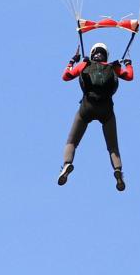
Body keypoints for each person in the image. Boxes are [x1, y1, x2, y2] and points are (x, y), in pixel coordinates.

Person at [57, 41, 133, 191]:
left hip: (87, 108)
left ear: (92, 54)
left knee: (72, 142)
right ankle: (117, 170)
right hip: (106, 109)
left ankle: (67, 164)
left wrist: (73, 61)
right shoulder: (113, 67)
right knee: (113, 146)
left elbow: (66, 76)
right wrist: (128, 64)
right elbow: (129, 76)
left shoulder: (85, 65)